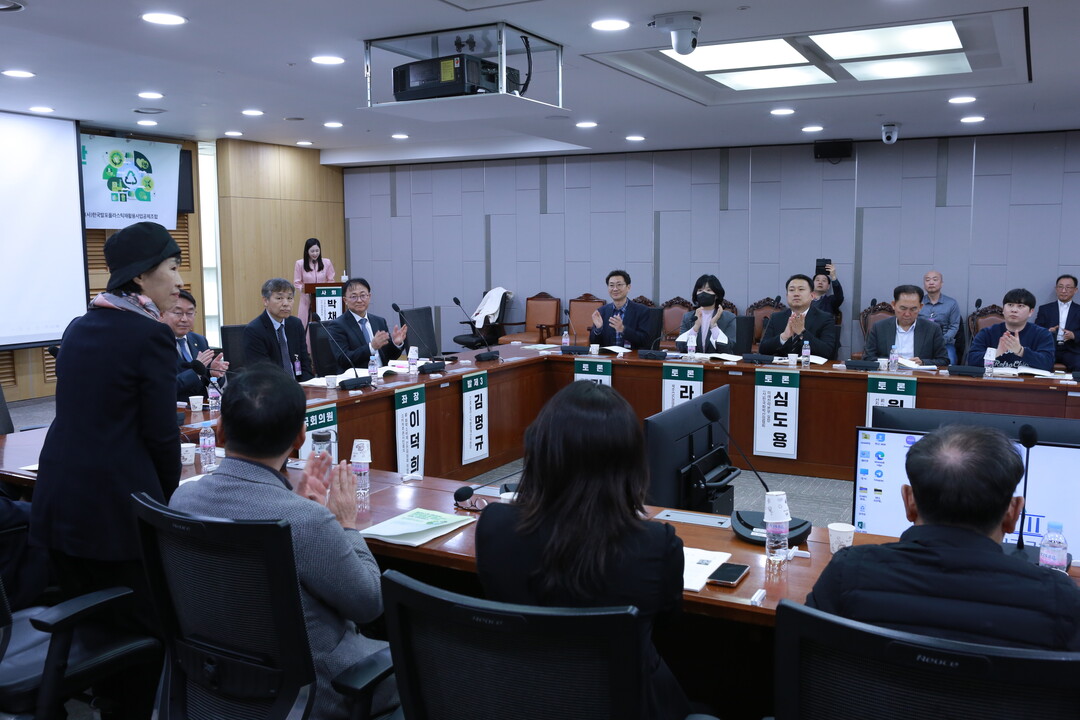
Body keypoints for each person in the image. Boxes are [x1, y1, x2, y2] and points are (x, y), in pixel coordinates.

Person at [170, 365, 395, 719]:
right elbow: (370, 603)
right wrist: (346, 525)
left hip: (212, 687)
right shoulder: (306, 522)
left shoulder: (181, 500)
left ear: (220, 430)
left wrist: (297, 504)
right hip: (317, 692)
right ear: (300, 438)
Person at [30, 221, 183, 717]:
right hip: (116, 515)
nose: (179, 280)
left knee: (93, 628)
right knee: (143, 636)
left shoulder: (79, 326)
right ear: (140, 276)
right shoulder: (150, 335)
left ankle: (104, 703)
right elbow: (161, 436)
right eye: (172, 267)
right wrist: (162, 504)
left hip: (60, 507)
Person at [475, 381, 691, 720]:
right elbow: (670, 625)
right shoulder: (656, 544)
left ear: (540, 450)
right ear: (631, 462)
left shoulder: (493, 525)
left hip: (521, 700)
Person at [806, 425, 1080, 650]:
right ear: (1014, 513)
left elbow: (805, 660)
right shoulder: (1060, 600)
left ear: (909, 502)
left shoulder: (848, 573)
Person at [325, 278, 407, 372]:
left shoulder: (379, 321)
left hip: (382, 375)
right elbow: (343, 359)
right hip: (357, 378)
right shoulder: (337, 326)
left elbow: (388, 356)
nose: (359, 300)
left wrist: (396, 344)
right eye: (353, 296)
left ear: (369, 297)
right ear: (345, 300)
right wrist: (371, 347)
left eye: (363, 295)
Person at [243, 278, 315, 381]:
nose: (286, 303)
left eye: (289, 298)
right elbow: (262, 372)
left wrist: (306, 386)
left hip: (299, 386)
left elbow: (305, 363)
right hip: (273, 387)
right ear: (265, 301)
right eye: (279, 298)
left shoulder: (296, 324)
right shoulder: (254, 330)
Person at [966, 288, 1055, 371]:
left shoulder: (1042, 334)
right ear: (1003, 309)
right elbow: (971, 360)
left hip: (1027, 381)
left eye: (1020, 306)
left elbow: (1048, 363)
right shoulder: (987, 333)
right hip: (993, 381)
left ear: (1031, 312)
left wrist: (1021, 351)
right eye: (1010, 305)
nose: (1014, 310)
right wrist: (996, 353)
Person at [163, 289, 228, 401]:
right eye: (178, 313)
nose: (184, 319)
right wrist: (196, 372)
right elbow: (164, 386)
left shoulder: (199, 340)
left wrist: (213, 374)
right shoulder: (156, 344)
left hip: (201, 407)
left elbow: (208, 383)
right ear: (162, 314)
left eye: (189, 313)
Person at [862, 285, 948, 366]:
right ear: (894, 305)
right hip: (889, 373)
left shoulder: (932, 329)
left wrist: (923, 362)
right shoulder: (879, 327)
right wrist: (890, 361)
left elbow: (944, 360)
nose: (907, 314)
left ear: (920, 307)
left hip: (919, 374)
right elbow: (867, 358)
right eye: (903, 308)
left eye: (913, 309)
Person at [759, 274, 840, 360]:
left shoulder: (825, 318)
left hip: (810, 367)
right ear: (787, 296)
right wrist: (783, 336)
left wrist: (802, 333)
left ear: (812, 296)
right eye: (791, 290)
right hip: (781, 366)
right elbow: (763, 349)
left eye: (801, 289)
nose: (796, 294)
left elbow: (827, 352)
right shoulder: (776, 317)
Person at [589, 270, 651, 350]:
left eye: (619, 285)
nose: (615, 289)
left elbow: (646, 341)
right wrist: (598, 329)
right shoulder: (602, 311)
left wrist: (623, 329)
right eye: (611, 285)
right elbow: (593, 343)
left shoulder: (642, 311)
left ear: (628, 287)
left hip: (632, 356)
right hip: (609, 356)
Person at [677, 274, 736, 354]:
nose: (703, 293)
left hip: (716, 361)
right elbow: (681, 347)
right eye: (700, 290)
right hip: (694, 361)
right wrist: (695, 328)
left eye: (708, 290)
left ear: (716, 295)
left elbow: (728, 349)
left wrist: (714, 326)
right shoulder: (688, 317)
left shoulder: (729, 318)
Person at [1034, 274, 1080, 371]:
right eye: (1060, 287)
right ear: (1056, 289)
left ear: (1075, 290)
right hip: (1049, 348)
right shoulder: (1044, 309)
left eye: (1068, 287)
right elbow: (1036, 329)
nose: (1063, 290)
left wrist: (1074, 335)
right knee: (1037, 364)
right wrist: (1047, 332)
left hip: (1071, 350)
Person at [919, 270, 962, 364]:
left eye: (935, 279)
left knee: (950, 361)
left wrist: (941, 341)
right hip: (921, 344)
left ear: (941, 283)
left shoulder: (951, 303)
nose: (931, 282)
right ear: (924, 284)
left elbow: (954, 326)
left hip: (944, 344)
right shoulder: (918, 303)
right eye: (927, 280)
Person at [294, 237, 337, 328]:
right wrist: (304, 289)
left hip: (322, 299)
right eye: (312, 251)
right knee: (305, 324)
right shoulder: (300, 264)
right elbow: (297, 282)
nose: (315, 254)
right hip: (306, 299)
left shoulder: (326, 262)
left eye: (317, 251)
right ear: (307, 251)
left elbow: (331, 280)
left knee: (321, 324)